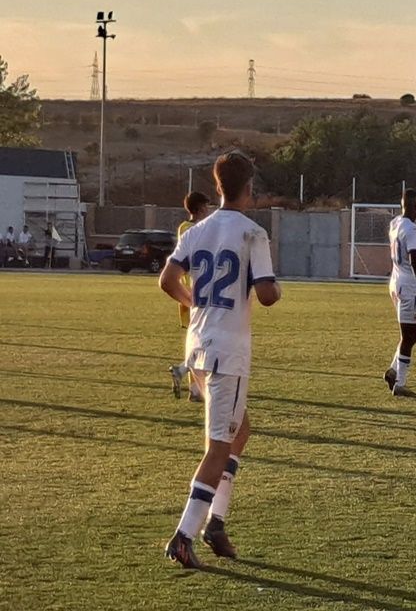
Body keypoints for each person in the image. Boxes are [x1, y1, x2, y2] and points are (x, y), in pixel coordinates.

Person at [159, 151, 281, 569]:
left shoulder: (197, 230)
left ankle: (217, 523)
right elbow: (266, 294)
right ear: (250, 188)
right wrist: (274, 288)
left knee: (240, 431)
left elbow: (167, 280)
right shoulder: (253, 233)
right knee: (219, 447)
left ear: (218, 187)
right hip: (227, 351)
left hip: (196, 345)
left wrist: (194, 302)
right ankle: (184, 534)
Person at [384, 183, 416, 397]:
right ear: (414, 209)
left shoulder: (396, 223)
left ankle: (393, 371)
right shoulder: (412, 229)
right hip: (408, 285)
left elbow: (412, 210)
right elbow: (415, 261)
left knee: (413, 333)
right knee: (409, 336)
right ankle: (400, 383)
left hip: (395, 283)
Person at [169, 192, 212, 401]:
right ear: (201, 208)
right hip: (192, 293)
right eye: (206, 207)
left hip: (196, 292)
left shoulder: (194, 228)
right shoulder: (188, 229)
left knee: (201, 342)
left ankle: (194, 387)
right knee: (202, 342)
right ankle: (187, 376)